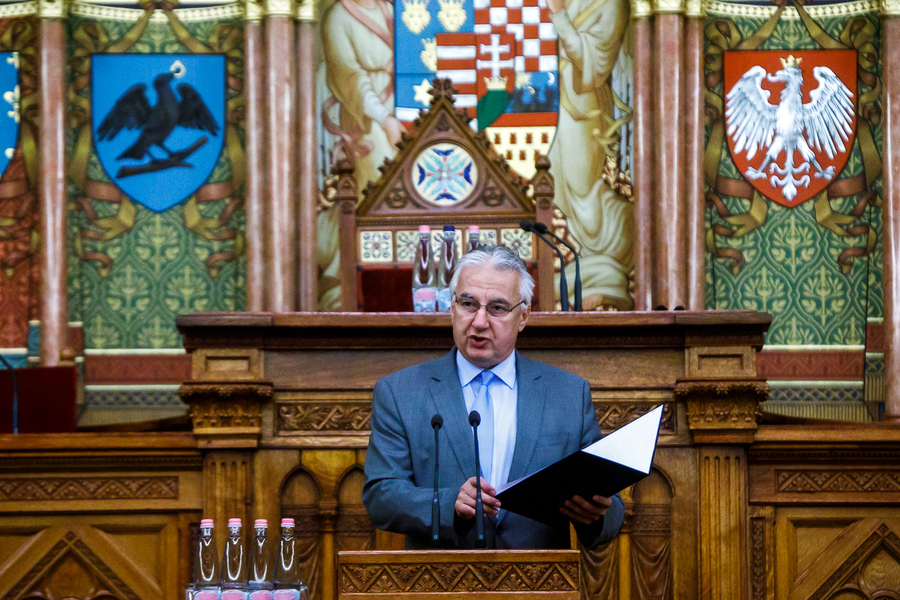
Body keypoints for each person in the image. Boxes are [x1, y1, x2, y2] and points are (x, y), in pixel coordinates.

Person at [362, 245, 625, 549]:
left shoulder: (568, 395)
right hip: (441, 585)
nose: (479, 321)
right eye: (468, 304)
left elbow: (612, 507)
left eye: (497, 308)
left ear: (523, 316)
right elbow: (381, 494)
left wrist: (594, 514)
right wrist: (448, 504)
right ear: (451, 307)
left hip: (537, 587)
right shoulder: (400, 392)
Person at [547, 0, 635, 310]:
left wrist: (559, 16)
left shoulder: (609, 4)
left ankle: (602, 262)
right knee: (544, 185)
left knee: (580, 190)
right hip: (536, 100)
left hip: (581, 111)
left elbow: (594, 66)